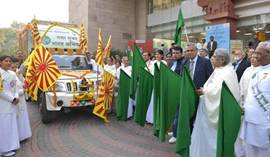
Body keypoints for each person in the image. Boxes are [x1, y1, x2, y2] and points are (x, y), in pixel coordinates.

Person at [189, 48, 240, 157]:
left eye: (214, 57)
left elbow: (221, 91)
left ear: (222, 60)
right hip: (206, 107)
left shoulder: (228, 73)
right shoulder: (218, 70)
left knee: (213, 137)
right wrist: (205, 89)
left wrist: (204, 91)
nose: (212, 59)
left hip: (216, 111)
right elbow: (212, 85)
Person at [240, 41, 270, 157]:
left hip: (264, 126)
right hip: (250, 123)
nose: (255, 56)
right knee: (250, 152)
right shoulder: (255, 71)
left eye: (259, 53)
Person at [0, 55, 20, 157]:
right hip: (3, 104)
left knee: (11, 125)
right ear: (0, 62)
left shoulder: (12, 73)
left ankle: (11, 146)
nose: (8, 63)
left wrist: (16, 96)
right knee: (4, 127)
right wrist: (11, 99)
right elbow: (1, 91)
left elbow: (15, 87)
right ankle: (3, 149)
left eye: (9, 61)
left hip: (13, 103)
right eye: (6, 61)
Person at [168, 46, 188, 144]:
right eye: (173, 53)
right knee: (173, 112)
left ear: (181, 53)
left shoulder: (184, 63)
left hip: (180, 91)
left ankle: (176, 135)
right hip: (172, 91)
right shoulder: (171, 62)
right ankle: (174, 131)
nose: (174, 55)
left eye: (177, 53)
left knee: (178, 114)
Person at [10, 57, 32, 142]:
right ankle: (18, 136)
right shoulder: (10, 75)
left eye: (16, 66)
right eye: (13, 67)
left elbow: (23, 82)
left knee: (23, 116)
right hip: (16, 99)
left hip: (22, 99)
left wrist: (25, 85)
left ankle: (24, 134)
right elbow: (12, 90)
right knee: (17, 118)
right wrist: (22, 90)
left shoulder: (18, 72)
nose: (15, 68)